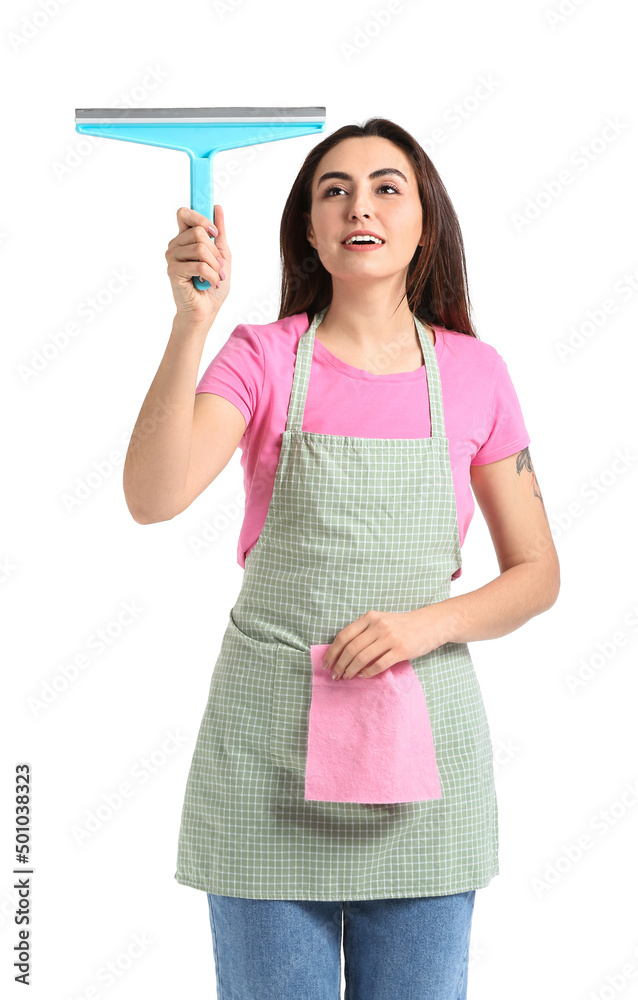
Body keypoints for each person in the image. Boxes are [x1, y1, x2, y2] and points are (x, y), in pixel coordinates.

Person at [123, 117, 560, 999]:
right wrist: (191, 324)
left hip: (421, 760)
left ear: (424, 223)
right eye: (334, 190)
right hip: (267, 753)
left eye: (386, 187)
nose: (360, 205)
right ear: (311, 231)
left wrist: (420, 626)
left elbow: (536, 575)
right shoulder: (262, 357)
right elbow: (153, 495)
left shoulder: (477, 374)